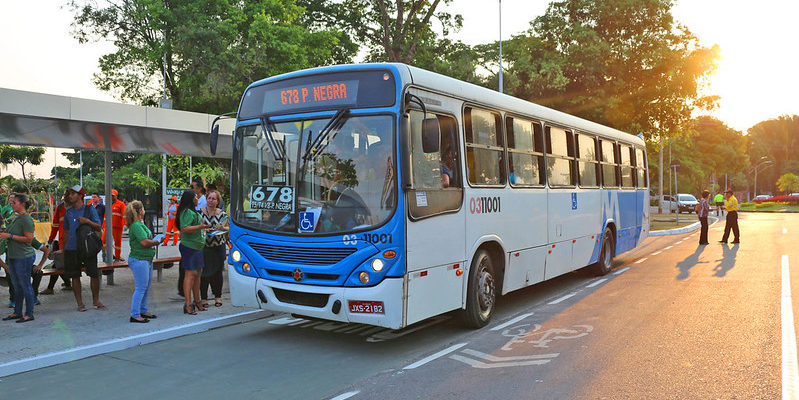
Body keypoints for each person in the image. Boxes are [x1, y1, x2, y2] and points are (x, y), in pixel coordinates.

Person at [62, 185, 105, 312]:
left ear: (80, 195)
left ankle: (96, 301)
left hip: (87, 247)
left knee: (93, 274)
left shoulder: (89, 209)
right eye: (69, 194)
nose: (70, 196)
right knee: (75, 276)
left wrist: (87, 221)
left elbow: (98, 226)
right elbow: (66, 232)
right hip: (71, 248)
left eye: (73, 193)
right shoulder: (68, 212)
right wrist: (64, 249)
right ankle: (80, 304)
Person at [1, 193, 36, 322]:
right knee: (17, 286)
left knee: (25, 285)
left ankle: (29, 313)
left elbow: (29, 239)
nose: (11, 204)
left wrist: (9, 236)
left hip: (23, 257)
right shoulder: (16, 218)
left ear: (22, 204)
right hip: (13, 256)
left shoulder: (26, 219)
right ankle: (17, 312)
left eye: (14, 202)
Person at [125, 200, 162, 323]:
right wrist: (156, 242)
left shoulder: (139, 224)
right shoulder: (136, 225)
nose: (144, 210)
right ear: (140, 211)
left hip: (145, 259)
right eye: (143, 208)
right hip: (139, 259)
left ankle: (143, 310)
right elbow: (145, 242)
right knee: (141, 288)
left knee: (145, 287)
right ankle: (135, 314)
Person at [176, 190, 210, 315]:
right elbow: (185, 228)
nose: (197, 199)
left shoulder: (194, 211)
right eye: (195, 197)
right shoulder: (187, 212)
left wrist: (204, 229)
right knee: (190, 275)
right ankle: (188, 303)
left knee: (198, 275)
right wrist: (200, 227)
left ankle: (197, 300)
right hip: (190, 247)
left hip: (198, 247)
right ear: (190, 199)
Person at [200, 190, 229, 308]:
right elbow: (196, 228)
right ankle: (203, 298)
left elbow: (229, 228)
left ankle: (218, 296)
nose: (211, 201)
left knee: (218, 272)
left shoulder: (222, 214)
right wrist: (203, 229)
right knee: (204, 272)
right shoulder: (199, 213)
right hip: (205, 246)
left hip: (218, 245)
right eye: (209, 198)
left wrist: (223, 228)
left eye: (214, 199)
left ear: (218, 201)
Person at [42, 190, 72, 295]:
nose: (66, 198)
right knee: (58, 265)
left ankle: (51, 288)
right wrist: (50, 240)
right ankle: (67, 284)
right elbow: (55, 226)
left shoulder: (78, 207)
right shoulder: (60, 207)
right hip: (62, 243)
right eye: (65, 195)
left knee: (57, 266)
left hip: (74, 245)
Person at [102, 189, 127, 263]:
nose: (112, 197)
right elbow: (105, 216)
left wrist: (125, 225)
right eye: (110, 196)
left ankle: (117, 257)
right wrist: (103, 226)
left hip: (118, 227)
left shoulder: (121, 204)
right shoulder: (108, 204)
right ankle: (109, 254)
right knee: (103, 240)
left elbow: (124, 215)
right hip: (108, 226)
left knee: (117, 243)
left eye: (113, 196)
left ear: (116, 196)